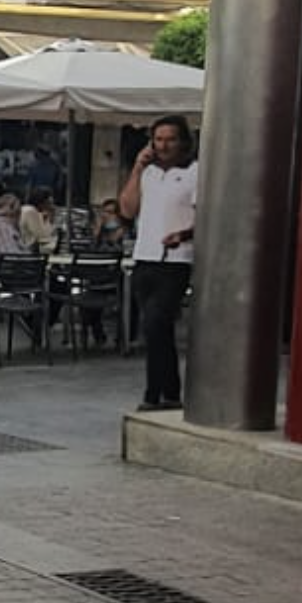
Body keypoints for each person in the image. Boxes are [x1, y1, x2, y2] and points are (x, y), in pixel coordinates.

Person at [119, 115, 199, 412]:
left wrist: (184, 234)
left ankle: (154, 392)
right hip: (145, 256)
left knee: (156, 321)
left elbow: (204, 214)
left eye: (170, 139)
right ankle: (170, 392)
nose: (164, 145)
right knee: (155, 329)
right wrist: (138, 167)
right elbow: (127, 208)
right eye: (159, 139)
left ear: (183, 142)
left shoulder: (194, 173)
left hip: (175, 260)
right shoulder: (149, 173)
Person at [19, 187, 59, 254]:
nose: (51, 206)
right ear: (42, 202)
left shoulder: (27, 209)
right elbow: (43, 236)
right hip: (27, 252)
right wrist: (51, 218)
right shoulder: (30, 211)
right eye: (49, 203)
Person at [0, 193, 24, 259]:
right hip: (13, 267)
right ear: (14, 212)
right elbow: (11, 256)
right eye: (19, 212)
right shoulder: (4, 229)